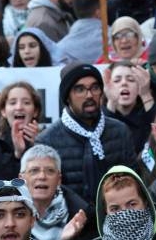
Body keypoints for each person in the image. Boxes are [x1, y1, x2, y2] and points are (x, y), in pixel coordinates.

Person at [37, 64, 136, 203]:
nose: (89, 95)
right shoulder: (47, 141)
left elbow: (134, 183)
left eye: (95, 88)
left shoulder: (120, 131)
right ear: (67, 97)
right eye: (80, 89)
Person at [21, 144, 90, 240]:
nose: (42, 176)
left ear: (59, 180)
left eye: (50, 171)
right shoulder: (10, 218)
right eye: (34, 171)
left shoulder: (82, 217)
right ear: (21, 179)